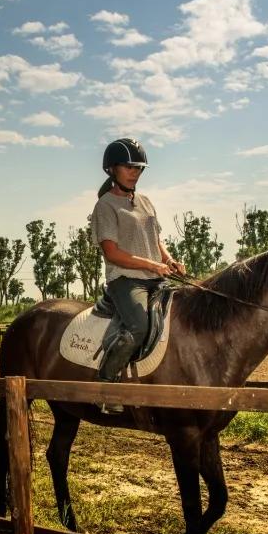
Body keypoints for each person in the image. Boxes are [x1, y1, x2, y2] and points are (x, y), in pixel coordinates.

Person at [90, 137, 185, 413]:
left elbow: (156, 240)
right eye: (129, 167)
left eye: (139, 168)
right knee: (138, 327)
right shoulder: (105, 206)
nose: (135, 172)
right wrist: (152, 265)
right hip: (125, 280)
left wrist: (169, 260)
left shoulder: (145, 202)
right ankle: (105, 386)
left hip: (156, 278)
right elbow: (112, 253)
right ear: (112, 169)